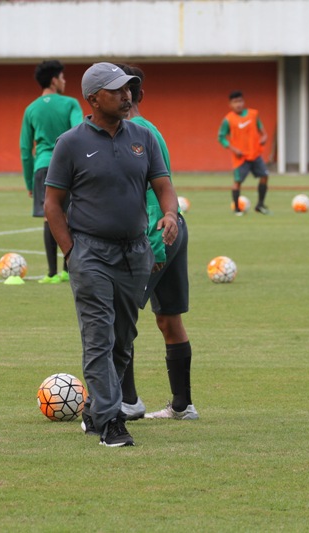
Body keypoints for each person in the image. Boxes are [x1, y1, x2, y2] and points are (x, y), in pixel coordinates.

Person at [44, 62, 179, 447]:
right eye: (117, 90)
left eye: (129, 89)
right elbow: (53, 204)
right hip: (91, 253)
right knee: (99, 338)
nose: (127, 95)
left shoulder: (143, 137)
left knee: (123, 341)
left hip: (135, 253)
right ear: (92, 98)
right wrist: (72, 252)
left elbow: (163, 186)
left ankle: (94, 411)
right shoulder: (71, 142)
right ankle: (111, 422)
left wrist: (169, 214)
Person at [114, 64, 198, 422]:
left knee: (119, 317)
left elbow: (152, 195)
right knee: (168, 318)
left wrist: (156, 248)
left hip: (155, 239)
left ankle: (128, 401)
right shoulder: (152, 130)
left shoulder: (133, 134)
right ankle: (182, 406)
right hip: (176, 227)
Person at [19, 60, 83, 283]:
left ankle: (51, 273)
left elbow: (26, 149)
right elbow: (79, 132)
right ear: (54, 80)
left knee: (50, 217)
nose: (65, 81)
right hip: (67, 166)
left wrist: (29, 183)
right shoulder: (71, 104)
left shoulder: (31, 109)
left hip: (42, 167)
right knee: (71, 216)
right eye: (63, 77)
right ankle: (69, 269)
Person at [217, 90, 271, 215]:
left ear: (243, 101)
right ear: (230, 104)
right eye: (235, 102)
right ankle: (237, 208)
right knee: (238, 182)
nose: (238, 104)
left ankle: (260, 205)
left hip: (255, 154)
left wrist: (264, 137)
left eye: (240, 101)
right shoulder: (228, 120)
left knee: (265, 176)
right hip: (240, 157)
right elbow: (221, 137)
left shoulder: (253, 114)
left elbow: (262, 130)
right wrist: (233, 149)